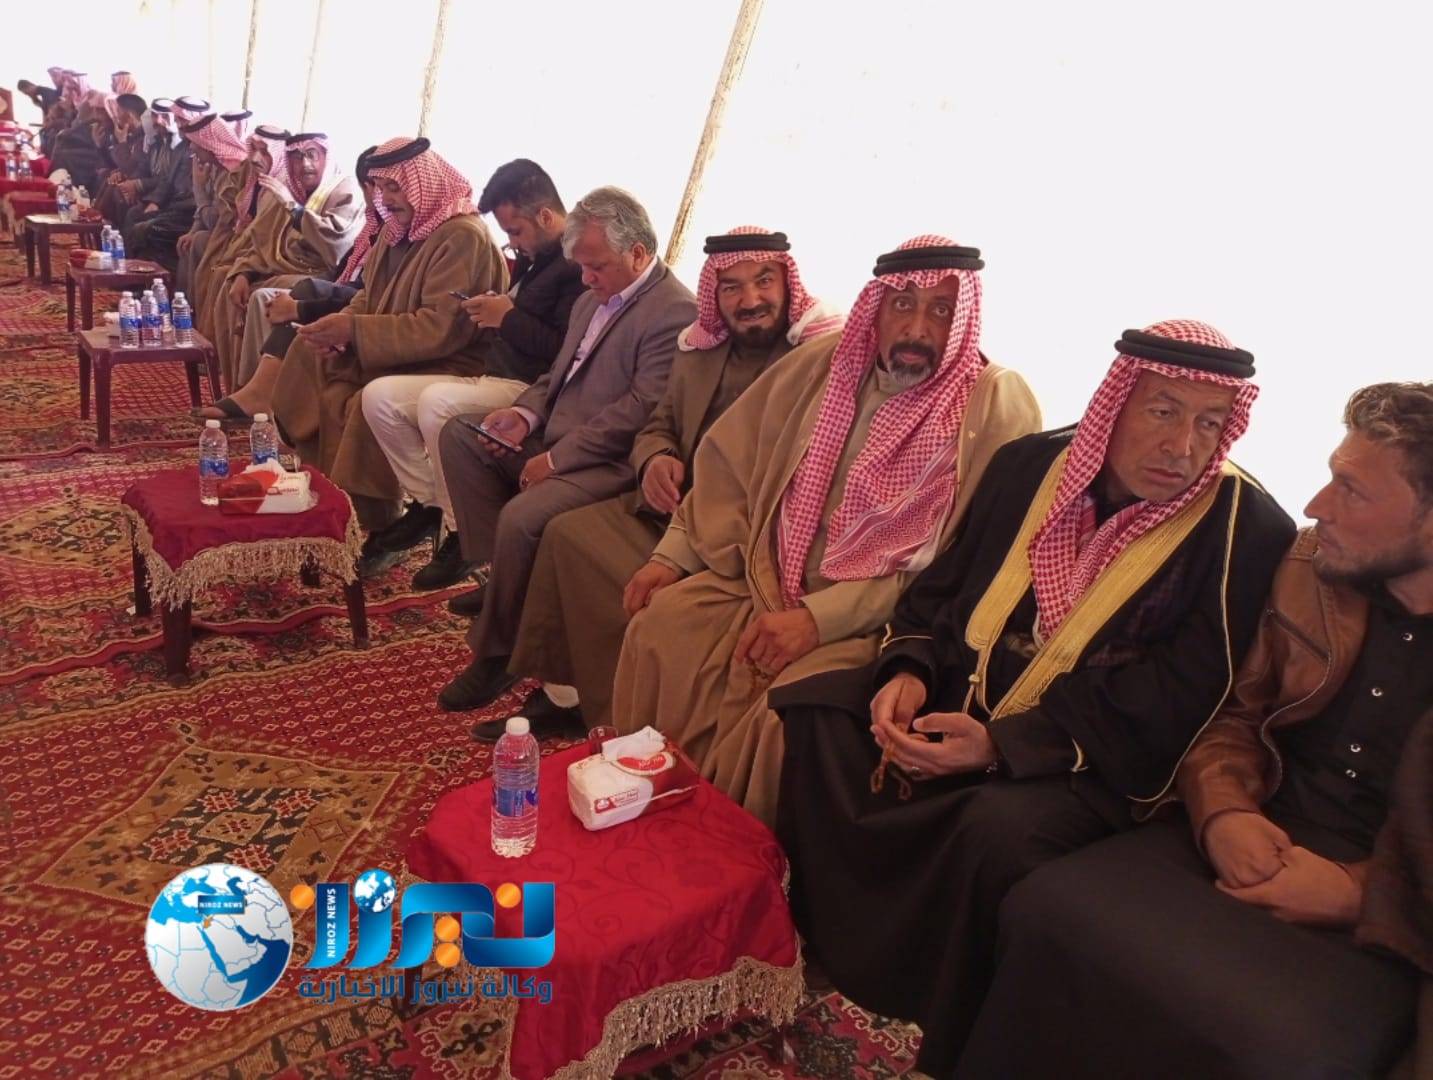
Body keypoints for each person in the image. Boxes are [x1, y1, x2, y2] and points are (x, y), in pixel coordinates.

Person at [773, 320, 1296, 1077]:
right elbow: (942, 590)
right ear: (1114, 404)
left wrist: (1001, 746)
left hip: (1084, 753)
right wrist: (907, 671)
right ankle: (825, 942)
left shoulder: (1244, 528)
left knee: (996, 830)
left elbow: (1182, 692)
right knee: (820, 714)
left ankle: (932, 1015)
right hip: (961, 690)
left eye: (1208, 424)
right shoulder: (1029, 466)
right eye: (1162, 411)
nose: (1183, 446)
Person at [957, 381, 1433, 1080]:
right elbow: (1233, 716)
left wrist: (1358, 894)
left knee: (1288, 1051)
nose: (1315, 506)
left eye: (1351, 491)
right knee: (1047, 907)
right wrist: (1224, 815)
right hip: (1256, 821)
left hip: (1391, 893)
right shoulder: (1310, 569)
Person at [607, 237, 1040, 822]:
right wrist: (673, 555)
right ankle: (645, 802)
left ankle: (735, 848)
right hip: (763, 578)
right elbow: (731, 464)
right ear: (876, 308)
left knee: (781, 717)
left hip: (878, 619)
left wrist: (819, 619)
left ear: (963, 315)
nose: (917, 329)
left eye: (940, 310)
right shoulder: (825, 364)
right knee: (661, 628)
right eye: (902, 305)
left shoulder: (993, 404)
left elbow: (962, 562)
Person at [494, 226, 843, 738]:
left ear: (788, 284)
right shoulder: (700, 348)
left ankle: (623, 714)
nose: (750, 301)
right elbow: (659, 423)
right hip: (667, 504)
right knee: (565, 535)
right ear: (714, 294)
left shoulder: (813, 359)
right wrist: (656, 457)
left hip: (736, 531)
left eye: (764, 282)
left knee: (630, 587)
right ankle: (564, 693)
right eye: (732, 287)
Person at [435, 186, 697, 711]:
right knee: (463, 436)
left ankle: (498, 654)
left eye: (596, 267)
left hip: (609, 461)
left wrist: (556, 460)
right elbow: (557, 375)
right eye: (582, 267)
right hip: (557, 434)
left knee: (523, 517)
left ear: (637, 253)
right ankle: (503, 582)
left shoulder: (673, 311)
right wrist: (524, 415)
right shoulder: (591, 299)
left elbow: (641, 410)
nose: (586, 279)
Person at [359, 158, 586, 582]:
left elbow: (567, 350)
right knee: (379, 397)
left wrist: (507, 317)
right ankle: (429, 505)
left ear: (545, 216)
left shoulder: (577, 265)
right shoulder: (536, 254)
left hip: (529, 389)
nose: (512, 243)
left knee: (436, 403)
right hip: (493, 373)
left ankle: (461, 532)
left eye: (515, 231)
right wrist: (496, 309)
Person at [270, 135, 509, 533]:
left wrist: (355, 332)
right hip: (391, 350)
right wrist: (339, 327)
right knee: (307, 353)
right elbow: (368, 297)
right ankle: (321, 488)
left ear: (422, 182)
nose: (388, 198)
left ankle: (375, 521)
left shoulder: (461, 236)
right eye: (381, 188)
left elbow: (440, 328)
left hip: (448, 361)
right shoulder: (397, 230)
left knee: (361, 402)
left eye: (395, 187)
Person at [199, 146, 380, 423]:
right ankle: (246, 388)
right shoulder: (276, 189)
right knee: (230, 279)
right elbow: (261, 242)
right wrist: (245, 270)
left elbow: (334, 253)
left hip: (318, 274)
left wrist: (293, 209)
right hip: (291, 270)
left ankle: (257, 393)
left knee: (276, 295)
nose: (304, 164)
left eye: (312, 155)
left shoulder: (341, 193)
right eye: (296, 157)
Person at [191, 123, 290, 338]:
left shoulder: (282, 189)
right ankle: (205, 341)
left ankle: (212, 347)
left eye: (264, 151)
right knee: (213, 267)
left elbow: (266, 236)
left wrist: (241, 264)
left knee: (222, 273)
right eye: (253, 149)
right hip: (244, 245)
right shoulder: (251, 175)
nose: (255, 158)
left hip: (268, 256)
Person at [121, 98, 197, 268]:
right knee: (137, 217)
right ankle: (133, 270)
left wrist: (150, 196)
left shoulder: (192, 148)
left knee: (144, 227)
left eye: (182, 120)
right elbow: (167, 180)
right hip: (175, 207)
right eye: (179, 120)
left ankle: (143, 274)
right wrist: (154, 202)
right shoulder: (182, 147)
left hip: (188, 213)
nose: (180, 125)